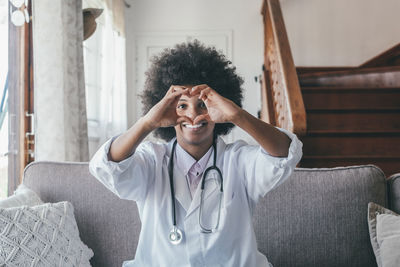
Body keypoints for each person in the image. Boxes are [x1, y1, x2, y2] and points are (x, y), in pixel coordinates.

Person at [89, 40, 303, 267]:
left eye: (203, 105)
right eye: (182, 106)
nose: (193, 116)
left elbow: (284, 154)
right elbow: (108, 166)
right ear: (164, 109)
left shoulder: (238, 161)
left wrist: (237, 115)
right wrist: (148, 122)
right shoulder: (152, 160)